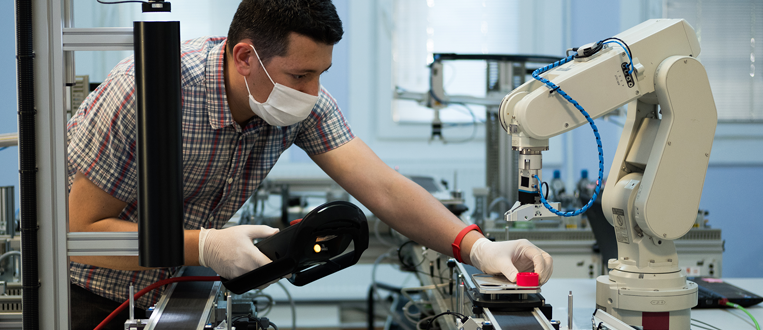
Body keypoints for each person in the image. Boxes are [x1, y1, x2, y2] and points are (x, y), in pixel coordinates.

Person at [66, 0, 553, 329]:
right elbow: (80, 235)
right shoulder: (152, 90)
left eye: (321, 74)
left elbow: (382, 187)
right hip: (90, 300)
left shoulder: (294, 102)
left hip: (175, 296)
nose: (313, 94)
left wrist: (478, 249)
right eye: (300, 75)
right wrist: (207, 246)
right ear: (244, 58)